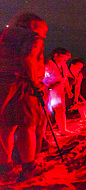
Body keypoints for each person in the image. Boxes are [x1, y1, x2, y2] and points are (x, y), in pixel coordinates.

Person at [0, 13, 48, 180]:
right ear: (33, 25)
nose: (45, 35)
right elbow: (28, 57)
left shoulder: (4, 35)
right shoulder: (33, 37)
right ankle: (29, 166)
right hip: (22, 84)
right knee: (27, 124)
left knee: (6, 125)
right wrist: (35, 82)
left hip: (3, 82)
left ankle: (5, 165)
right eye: (44, 30)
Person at [43, 47, 73, 135]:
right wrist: (49, 86)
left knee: (61, 110)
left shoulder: (64, 66)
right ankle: (43, 133)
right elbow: (41, 77)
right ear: (56, 55)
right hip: (48, 91)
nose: (66, 59)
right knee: (46, 112)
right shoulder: (48, 63)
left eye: (67, 58)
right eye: (64, 57)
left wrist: (68, 90)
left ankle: (63, 130)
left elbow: (65, 78)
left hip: (60, 91)